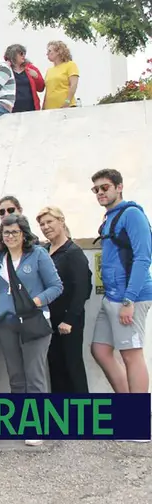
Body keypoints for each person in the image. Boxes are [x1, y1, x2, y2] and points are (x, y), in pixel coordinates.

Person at [91, 169, 152, 414]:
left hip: (130, 297)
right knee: (100, 349)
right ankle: (128, 410)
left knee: (131, 355)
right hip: (113, 296)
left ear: (119, 186)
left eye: (104, 187)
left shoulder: (132, 215)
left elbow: (143, 258)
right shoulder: (110, 218)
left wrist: (129, 299)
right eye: (96, 189)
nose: (100, 193)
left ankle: (137, 420)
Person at [0, 214, 63, 410]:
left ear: (24, 234)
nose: (10, 236)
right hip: (6, 323)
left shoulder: (38, 254)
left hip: (34, 321)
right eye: (6, 232)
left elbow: (56, 286)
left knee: (34, 376)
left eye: (15, 232)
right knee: (15, 376)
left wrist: (35, 302)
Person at [36, 206, 91, 394]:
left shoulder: (73, 252)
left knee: (72, 368)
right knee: (55, 368)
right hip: (48, 320)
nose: (45, 227)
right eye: (42, 224)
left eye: (49, 222)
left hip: (67, 322)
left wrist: (69, 320)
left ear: (61, 221)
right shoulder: (43, 251)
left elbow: (83, 288)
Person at [5, 44, 45, 114]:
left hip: (31, 109)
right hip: (11, 109)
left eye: (24, 53)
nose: (23, 55)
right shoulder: (5, 69)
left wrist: (36, 77)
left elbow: (41, 88)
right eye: (21, 53)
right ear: (13, 55)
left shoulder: (31, 68)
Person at [43, 41, 80, 110]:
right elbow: (48, 90)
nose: (47, 53)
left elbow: (73, 85)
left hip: (66, 107)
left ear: (58, 52)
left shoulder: (70, 65)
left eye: (49, 51)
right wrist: (43, 107)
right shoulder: (49, 70)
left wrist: (67, 102)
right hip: (50, 109)